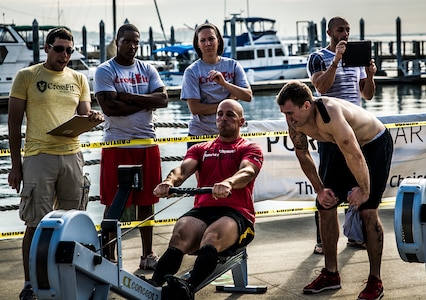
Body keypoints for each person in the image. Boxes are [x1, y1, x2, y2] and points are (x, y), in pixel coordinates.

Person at [7, 27, 104, 300]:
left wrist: (93, 118)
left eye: (69, 51)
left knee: (74, 221)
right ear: (47, 48)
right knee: (36, 224)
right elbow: (13, 123)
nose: (64, 55)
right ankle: (29, 284)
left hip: (72, 155)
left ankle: (70, 279)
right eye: (59, 49)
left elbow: (84, 114)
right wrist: (16, 166)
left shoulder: (79, 78)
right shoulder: (26, 76)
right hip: (39, 156)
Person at [276, 81, 393, 300]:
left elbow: (355, 155)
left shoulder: (330, 114)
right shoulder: (295, 121)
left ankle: (375, 279)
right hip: (338, 146)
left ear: (306, 106)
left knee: (367, 210)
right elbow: (302, 154)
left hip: (372, 143)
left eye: (291, 113)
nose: (288, 119)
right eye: (284, 113)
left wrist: (365, 191)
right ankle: (331, 274)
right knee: (325, 204)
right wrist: (320, 190)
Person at [150, 99, 263, 300]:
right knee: (180, 234)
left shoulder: (249, 148)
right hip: (203, 210)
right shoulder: (201, 149)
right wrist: (169, 182)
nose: (223, 118)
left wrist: (228, 183)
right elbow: (182, 170)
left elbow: (247, 171)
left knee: (211, 237)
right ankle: (152, 284)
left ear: (241, 121)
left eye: (230, 115)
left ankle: (189, 285)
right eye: (220, 114)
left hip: (236, 213)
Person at [94, 24, 168, 270]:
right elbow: (109, 108)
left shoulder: (148, 68)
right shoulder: (105, 70)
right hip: (118, 144)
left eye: (136, 42)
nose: (132, 46)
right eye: (127, 41)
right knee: (114, 202)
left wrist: (127, 96)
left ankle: (148, 254)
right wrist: (146, 103)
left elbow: (163, 100)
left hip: (146, 142)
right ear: (117, 41)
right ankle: (109, 257)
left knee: (147, 201)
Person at [307, 16, 377, 254]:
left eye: (347, 29)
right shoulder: (318, 57)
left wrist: (370, 74)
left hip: (354, 131)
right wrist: (336, 60)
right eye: (340, 29)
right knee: (329, 185)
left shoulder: (356, 59)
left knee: (356, 183)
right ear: (329, 32)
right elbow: (321, 88)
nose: (345, 33)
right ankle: (322, 240)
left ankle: (355, 236)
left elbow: (367, 95)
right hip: (329, 132)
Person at [181, 23, 252, 147]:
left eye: (211, 39)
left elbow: (247, 96)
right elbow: (195, 108)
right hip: (201, 135)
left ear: (218, 40)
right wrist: (228, 103)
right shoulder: (191, 71)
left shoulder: (233, 65)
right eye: (203, 40)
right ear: (198, 44)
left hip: (230, 134)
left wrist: (224, 83)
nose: (207, 43)